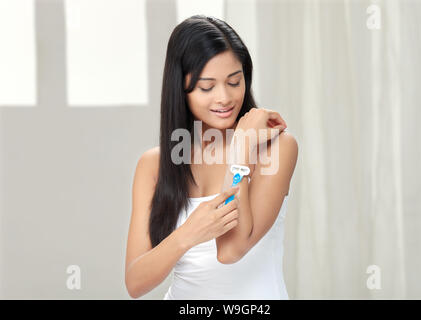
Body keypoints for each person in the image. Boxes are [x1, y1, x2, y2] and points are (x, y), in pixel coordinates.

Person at [125, 15, 298, 299]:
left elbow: (230, 250)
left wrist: (241, 146)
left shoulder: (276, 148)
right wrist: (188, 234)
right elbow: (135, 283)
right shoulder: (154, 165)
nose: (224, 98)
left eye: (234, 81)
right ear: (181, 88)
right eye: (207, 87)